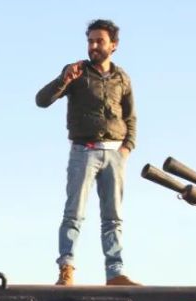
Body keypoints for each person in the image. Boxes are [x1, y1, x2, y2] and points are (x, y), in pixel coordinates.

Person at [36, 19, 139, 286]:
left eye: (99, 41)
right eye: (90, 41)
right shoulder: (76, 72)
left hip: (115, 154)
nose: (93, 46)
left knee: (113, 218)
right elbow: (42, 100)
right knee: (74, 213)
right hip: (84, 152)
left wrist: (127, 148)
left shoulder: (122, 78)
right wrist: (63, 80)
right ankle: (66, 268)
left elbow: (130, 117)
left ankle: (115, 273)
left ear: (113, 45)